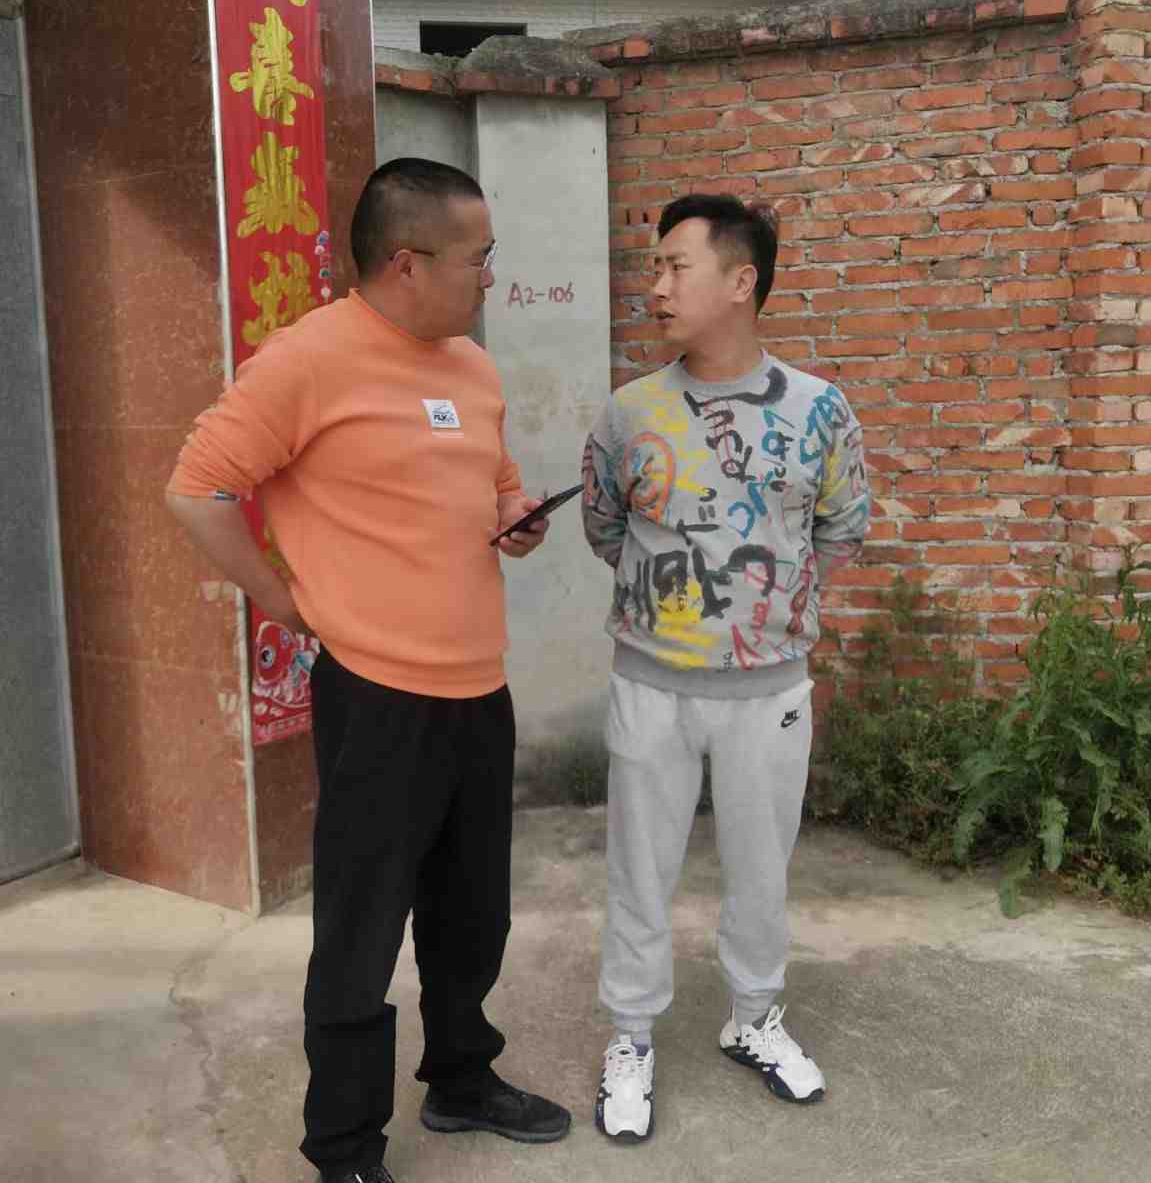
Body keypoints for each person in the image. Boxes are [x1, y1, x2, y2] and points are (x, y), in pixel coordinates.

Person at [166, 158, 572, 1183]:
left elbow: (495, 479)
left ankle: (461, 1077)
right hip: (378, 697)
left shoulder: (470, 366)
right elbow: (197, 487)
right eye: (478, 257)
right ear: (406, 262)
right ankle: (344, 1146)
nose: (489, 276)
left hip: (477, 685)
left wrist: (512, 518)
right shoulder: (308, 360)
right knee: (361, 927)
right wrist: (280, 598)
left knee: (471, 912)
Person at [580, 194, 872, 1142]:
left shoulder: (820, 410)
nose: (657, 287)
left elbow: (840, 530)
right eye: (655, 268)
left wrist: (763, 611)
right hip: (651, 685)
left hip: (769, 690)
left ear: (741, 281)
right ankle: (631, 1037)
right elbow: (605, 529)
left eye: (677, 267)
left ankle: (754, 1018)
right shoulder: (630, 413)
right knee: (638, 872)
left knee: (761, 871)